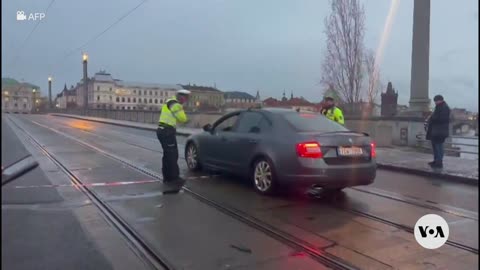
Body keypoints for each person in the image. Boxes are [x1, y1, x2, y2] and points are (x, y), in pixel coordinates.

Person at [157, 89, 190, 189]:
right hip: (167, 132)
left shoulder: (169, 101)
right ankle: (174, 178)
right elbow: (182, 119)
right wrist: (186, 118)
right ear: (181, 97)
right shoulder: (176, 105)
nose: (185, 101)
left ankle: (167, 177)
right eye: (185, 98)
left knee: (167, 155)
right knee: (172, 155)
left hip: (162, 130)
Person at [425, 95, 451, 168]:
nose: (435, 102)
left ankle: (439, 162)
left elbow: (441, 119)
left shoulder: (444, 108)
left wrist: (432, 118)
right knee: (435, 146)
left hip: (440, 131)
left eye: (436, 101)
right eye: (435, 101)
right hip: (436, 130)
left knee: (439, 146)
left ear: (440, 100)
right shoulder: (439, 107)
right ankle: (436, 160)